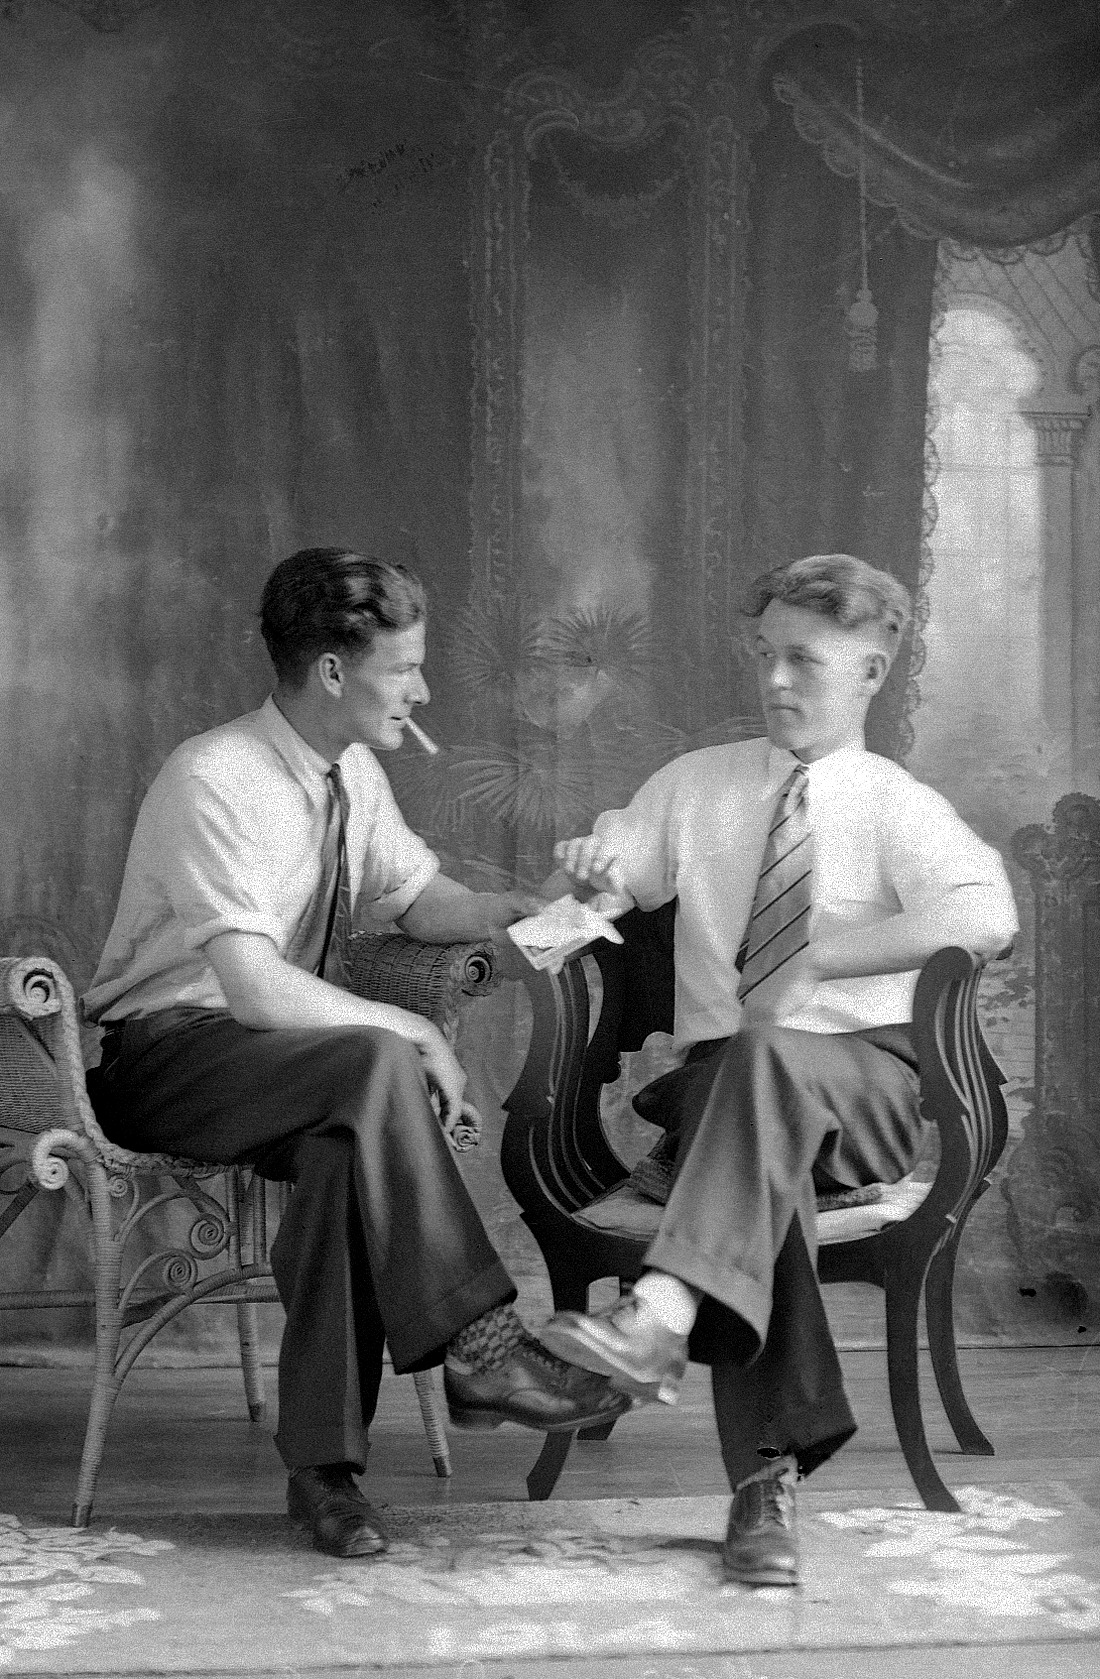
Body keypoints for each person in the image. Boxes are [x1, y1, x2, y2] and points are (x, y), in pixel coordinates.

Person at [83, 546, 627, 1561]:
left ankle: (324, 1474)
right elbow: (247, 984)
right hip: (163, 1058)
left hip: (288, 1066)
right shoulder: (214, 775)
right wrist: (413, 1027)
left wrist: (531, 908)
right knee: (375, 1065)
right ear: (333, 670)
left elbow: (421, 902)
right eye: (405, 666)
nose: (421, 688)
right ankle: (481, 1346)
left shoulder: (352, 775)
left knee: (346, 1149)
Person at [539, 553, 1018, 1588]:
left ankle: (658, 1315)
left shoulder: (894, 802)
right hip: (730, 1095)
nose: (775, 681)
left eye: (803, 658)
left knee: (756, 1072)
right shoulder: (693, 783)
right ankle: (763, 1486)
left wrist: (823, 962)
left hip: (865, 1091)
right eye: (765, 655)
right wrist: (584, 874)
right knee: (757, 1134)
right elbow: (584, 906)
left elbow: (988, 914)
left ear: (871, 672)